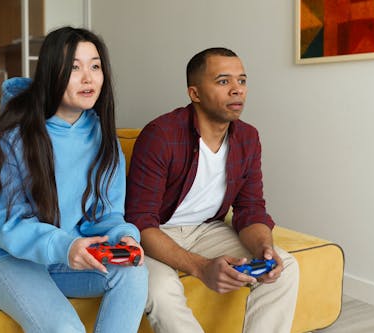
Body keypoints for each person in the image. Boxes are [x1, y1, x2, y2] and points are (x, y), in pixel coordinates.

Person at [0, 26, 148, 333]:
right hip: (9, 256)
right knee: (65, 328)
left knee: (133, 272)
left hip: (69, 252)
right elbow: (6, 224)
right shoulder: (11, 136)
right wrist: (65, 246)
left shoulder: (103, 136)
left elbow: (105, 212)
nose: (88, 78)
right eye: (74, 68)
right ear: (53, 73)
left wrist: (123, 236)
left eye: (95, 66)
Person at [125, 47, 299, 333]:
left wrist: (264, 248)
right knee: (160, 289)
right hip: (157, 231)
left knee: (284, 267)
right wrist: (201, 267)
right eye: (223, 81)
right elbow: (140, 220)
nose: (236, 90)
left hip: (208, 229)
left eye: (241, 81)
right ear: (194, 93)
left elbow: (251, 209)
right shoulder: (161, 135)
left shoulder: (248, 137)